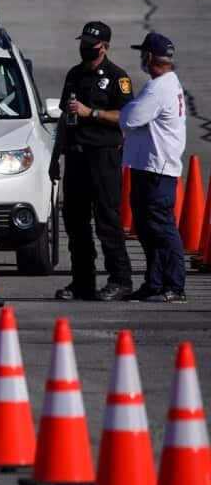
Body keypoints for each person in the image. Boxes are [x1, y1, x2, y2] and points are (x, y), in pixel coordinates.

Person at [79, 33, 187, 302]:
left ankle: (174, 285)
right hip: (148, 166)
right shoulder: (167, 85)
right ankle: (155, 282)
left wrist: (126, 114)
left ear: (149, 57)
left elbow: (130, 116)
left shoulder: (158, 87)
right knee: (148, 229)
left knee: (161, 229)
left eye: (143, 54)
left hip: (155, 169)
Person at [49, 21, 133, 301]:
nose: (85, 49)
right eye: (83, 44)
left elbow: (126, 116)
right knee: (75, 221)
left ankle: (120, 280)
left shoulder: (117, 77)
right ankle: (82, 280)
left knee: (108, 219)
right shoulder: (74, 75)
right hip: (76, 156)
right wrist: (55, 157)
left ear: (105, 47)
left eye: (91, 46)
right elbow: (64, 118)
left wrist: (91, 113)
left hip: (103, 156)